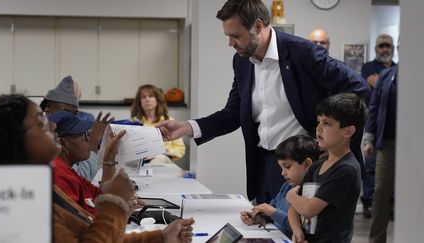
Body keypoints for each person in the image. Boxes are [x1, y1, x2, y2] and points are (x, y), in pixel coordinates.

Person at [156, 0, 370, 203]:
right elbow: (233, 114)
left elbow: (360, 91)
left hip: (305, 164)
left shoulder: (304, 53)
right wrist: (187, 127)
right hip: (264, 165)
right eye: (228, 36)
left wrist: (338, 143)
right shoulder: (241, 62)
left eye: (236, 36)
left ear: (258, 26)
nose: (230, 43)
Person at [0, 94, 195, 243]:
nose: (51, 126)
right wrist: (115, 204)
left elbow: (88, 234)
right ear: (14, 137)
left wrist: (160, 237)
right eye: (41, 123)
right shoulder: (19, 203)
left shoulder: (39, 188)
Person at [286, 93, 367, 243]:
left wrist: (290, 195)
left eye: (327, 123)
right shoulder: (317, 165)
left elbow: (308, 209)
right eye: (319, 122)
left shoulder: (346, 169)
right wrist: (297, 232)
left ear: (348, 131)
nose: (318, 129)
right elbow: (294, 208)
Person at [240, 135, 320, 238]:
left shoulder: (312, 193)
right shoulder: (287, 185)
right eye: (281, 168)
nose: (283, 173)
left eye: (287, 167)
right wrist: (256, 216)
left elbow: (301, 229)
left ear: (307, 164)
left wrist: (274, 213)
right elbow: (273, 209)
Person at [41, 75, 113, 180]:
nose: (71, 118)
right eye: (66, 112)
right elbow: (79, 176)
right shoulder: (44, 143)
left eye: (74, 113)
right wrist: (93, 143)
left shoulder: (68, 133)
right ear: (48, 111)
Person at [360, 34, 396, 218]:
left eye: (387, 46)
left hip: (395, 129)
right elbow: (370, 93)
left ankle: (390, 204)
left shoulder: (397, 70)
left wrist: (377, 82)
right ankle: (368, 202)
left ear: (392, 48)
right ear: (376, 49)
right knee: (371, 167)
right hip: (376, 126)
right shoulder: (368, 67)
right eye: (381, 46)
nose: (384, 49)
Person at [364, 64, 398, 243]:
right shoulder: (387, 75)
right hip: (387, 142)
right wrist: (368, 139)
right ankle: (376, 240)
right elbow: (374, 107)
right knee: (381, 191)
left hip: (415, 144)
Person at [131, 84, 185, 164]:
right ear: (139, 102)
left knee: (159, 159)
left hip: (163, 159)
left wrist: (163, 152)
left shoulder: (169, 121)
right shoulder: (133, 122)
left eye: (151, 96)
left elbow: (180, 149)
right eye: (143, 97)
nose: (147, 99)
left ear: (157, 100)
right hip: (140, 160)